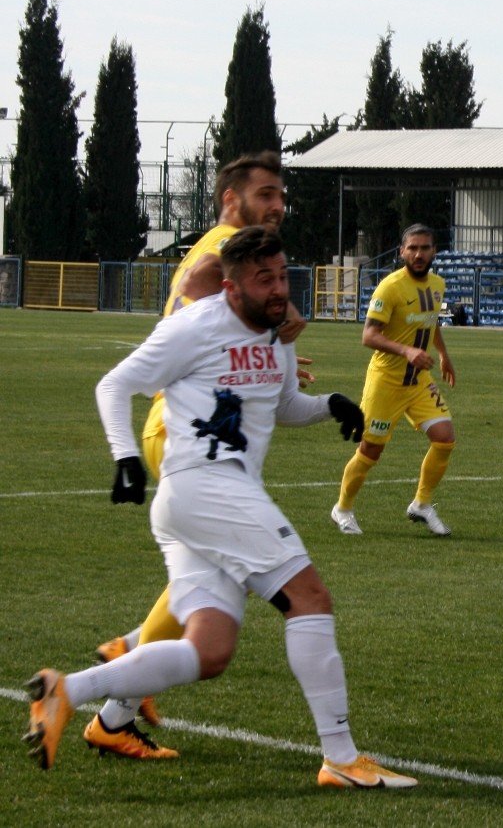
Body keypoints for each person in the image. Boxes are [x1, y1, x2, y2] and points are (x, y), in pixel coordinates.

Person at [24, 226, 417, 790]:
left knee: (209, 652)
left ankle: (69, 691)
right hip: (206, 488)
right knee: (309, 599)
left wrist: (331, 405)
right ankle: (341, 758)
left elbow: (280, 404)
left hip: (203, 503)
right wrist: (126, 457)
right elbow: (114, 385)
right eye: (265, 280)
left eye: (282, 275)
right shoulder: (195, 326)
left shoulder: (276, 334)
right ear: (231, 287)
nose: (279, 289)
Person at [89, 150, 313, 758]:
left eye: (281, 196)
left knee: (213, 573)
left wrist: (263, 351)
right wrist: (284, 314)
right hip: (186, 429)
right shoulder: (226, 246)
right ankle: (126, 670)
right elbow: (196, 285)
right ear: (230, 200)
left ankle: (126, 680)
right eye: (265, 193)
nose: (277, 205)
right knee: (231, 571)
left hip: (199, 421)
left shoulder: (236, 250)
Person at [331, 224, 456, 537]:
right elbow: (369, 335)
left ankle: (422, 504)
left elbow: (432, 321)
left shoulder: (438, 284)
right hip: (386, 381)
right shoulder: (389, 287)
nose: (418, 254)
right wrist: (407, 351)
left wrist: (442, 353)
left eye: (424, 248)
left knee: (445, 438)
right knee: (370, 451)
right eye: (412, 248)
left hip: (418, 380)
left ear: (434, 252)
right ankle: (343, 508)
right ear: (402, 251)